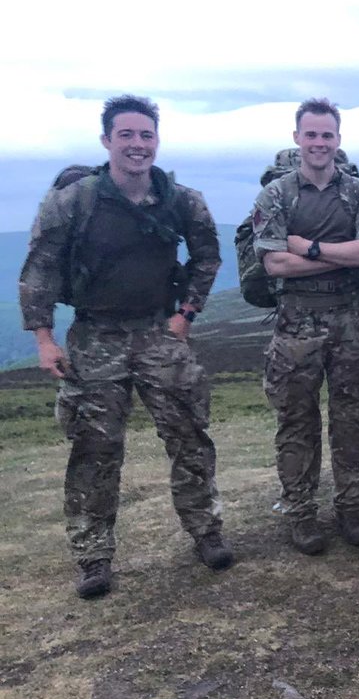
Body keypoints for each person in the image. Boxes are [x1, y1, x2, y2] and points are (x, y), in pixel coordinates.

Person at [19, 94, 232, 599]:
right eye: (127, 135)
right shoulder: (73, 200)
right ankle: (93, 557)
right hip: (94, 336)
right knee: (95, 449)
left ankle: (207, 532)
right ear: (107, 141)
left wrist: (187, 315)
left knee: (189, 436)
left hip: (161, 332)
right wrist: (44, 339)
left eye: (146, 135)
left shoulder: (182, 200)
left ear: (156, 141)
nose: (138, 145)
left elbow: (207, 256)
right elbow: (41, 269)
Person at [252, 98, 359, 555]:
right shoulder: (276, 195)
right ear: (297, 138)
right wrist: (338, 253)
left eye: (326, 135)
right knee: (297, 422)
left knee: (353, 419)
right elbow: (273, 263)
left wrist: (308, 248)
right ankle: (302, 514)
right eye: (310, 134)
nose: (318, 142)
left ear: (338, 140)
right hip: (296, 323)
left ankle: (351, 508)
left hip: (351, 319)